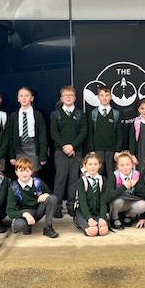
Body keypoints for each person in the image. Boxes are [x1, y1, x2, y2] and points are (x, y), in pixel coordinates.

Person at [51, 85, 88, 218]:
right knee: (60, 179)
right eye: (65, 95)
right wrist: (65, 147)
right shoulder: (55, 115)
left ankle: (72, 206)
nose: (68, 97)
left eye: (70, 95)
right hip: (60, 152)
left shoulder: (80, 114)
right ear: (61, 98)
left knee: (74, 179)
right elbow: (54, 133)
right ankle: (57, 207)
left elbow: (83, 132)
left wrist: (72, 146)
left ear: (75, 98)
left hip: (76, 151)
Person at [6, 157, 59, 238]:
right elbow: (10, 211)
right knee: (20, 225)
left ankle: (47, 227)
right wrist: (25, 214)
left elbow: (50, 194)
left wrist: (46, 195)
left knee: (52, 198)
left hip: (38, 210)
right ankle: (26, 225)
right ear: (16, 172)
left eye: (27, 170)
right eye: (21, 171)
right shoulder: (14, 188)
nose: (24, 174)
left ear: (32, 171)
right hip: (24, 213)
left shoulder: (37, 182)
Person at [9, 86, 48, 174]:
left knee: (33, 173)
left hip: (33, 147)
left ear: (32, 98)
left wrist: (43, 155)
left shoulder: (38, 115)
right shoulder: (14, 116)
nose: (24, 98)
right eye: (21, 96)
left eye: (26, 96)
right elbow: (11, 137)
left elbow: (42, 136)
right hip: (19, 147)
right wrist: (12, 156)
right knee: (21, 172)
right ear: (18, 99)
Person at [106, 150, 145, 230]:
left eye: (128, 164)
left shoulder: (137, 175)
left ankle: (127, 215)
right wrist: (123, 187)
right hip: (118, 203)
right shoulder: (114, 176)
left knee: (142, 205)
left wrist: (136, 185)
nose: (125, 167)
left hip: (130, 202)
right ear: (117, 166)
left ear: (132, 165)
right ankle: (115, 218)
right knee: (118, 201)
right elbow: (108, 196)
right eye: (122, 165)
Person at [87, 85, 122, 175]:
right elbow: (90, 133)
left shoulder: (116, 114)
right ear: (98, 97)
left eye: (107, 95)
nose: (104, 98)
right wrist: (91, 149)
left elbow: (119, 133)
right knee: (98, 172)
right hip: (97, 148)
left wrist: (117, 150)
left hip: (111, 149)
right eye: (102, 95)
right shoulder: (93, 113)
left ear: (111, 97)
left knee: (111, 173)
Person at [74, 152, 110, 237]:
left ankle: (99, 221)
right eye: (90, 164)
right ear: (85, 165)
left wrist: (102, 217)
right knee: (93, 232)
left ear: (99, 165)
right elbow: (82, 202)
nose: (93, 167)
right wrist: (89, 219)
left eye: (95, 164)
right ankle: (85, 224)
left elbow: (103, 201)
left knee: (103, 231)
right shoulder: (81, 181)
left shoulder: (103, 180)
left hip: (97, 213)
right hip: (83, 214)